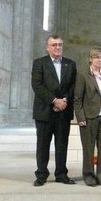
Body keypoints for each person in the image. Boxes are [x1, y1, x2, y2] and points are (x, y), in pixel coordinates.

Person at [31, 35, 77, 187]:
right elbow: (37, 86)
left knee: (62, 143)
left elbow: (73, 86)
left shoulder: (70, 64)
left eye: (60, 45)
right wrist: (54, 100)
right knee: (43, 144)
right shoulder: (39, 63)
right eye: (54, 45)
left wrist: (64, 100)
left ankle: (61, 174)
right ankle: (42, 174)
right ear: (47, 47)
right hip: (45, 110)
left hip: (63, 110)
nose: (58, 47)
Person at [74, 46, 101, 187]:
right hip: (89, 117)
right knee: (89, 148)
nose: (99, 60)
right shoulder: (83, 75)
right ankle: (89, 176)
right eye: (96, 57)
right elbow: (77, 99)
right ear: (90, 59)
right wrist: (80, 118)